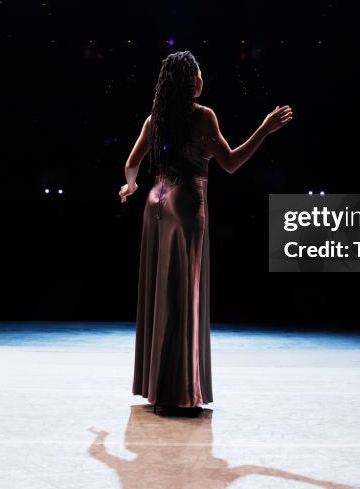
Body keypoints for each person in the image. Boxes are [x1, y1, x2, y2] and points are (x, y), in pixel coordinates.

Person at [119, 50, 293, 416]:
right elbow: (230, 163)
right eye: (200, 73)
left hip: (155, 202)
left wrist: (131, 187)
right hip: (185, 205)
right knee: (184, 295)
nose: (203, 79)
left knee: (161, 293)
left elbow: (132, 164)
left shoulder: (157, 119)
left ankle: (158, 387)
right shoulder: (203, 117)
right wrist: (265, 129)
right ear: (191, 80)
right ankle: (180, 392)